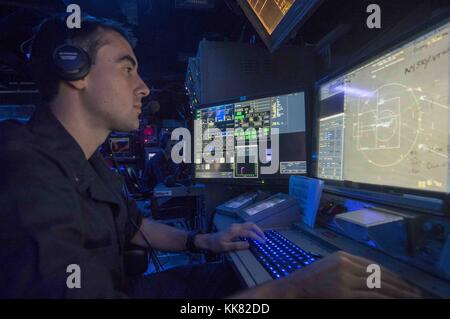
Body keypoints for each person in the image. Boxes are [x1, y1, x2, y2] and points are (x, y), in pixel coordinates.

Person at [0, 14, 421, 299]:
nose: (144, 86)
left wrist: (201, 241)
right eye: (128, 68)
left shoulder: (87, 160)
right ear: (75, 71)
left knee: (224, 275)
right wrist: (293, 291)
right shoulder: (22, 168)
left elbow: (132, 225)